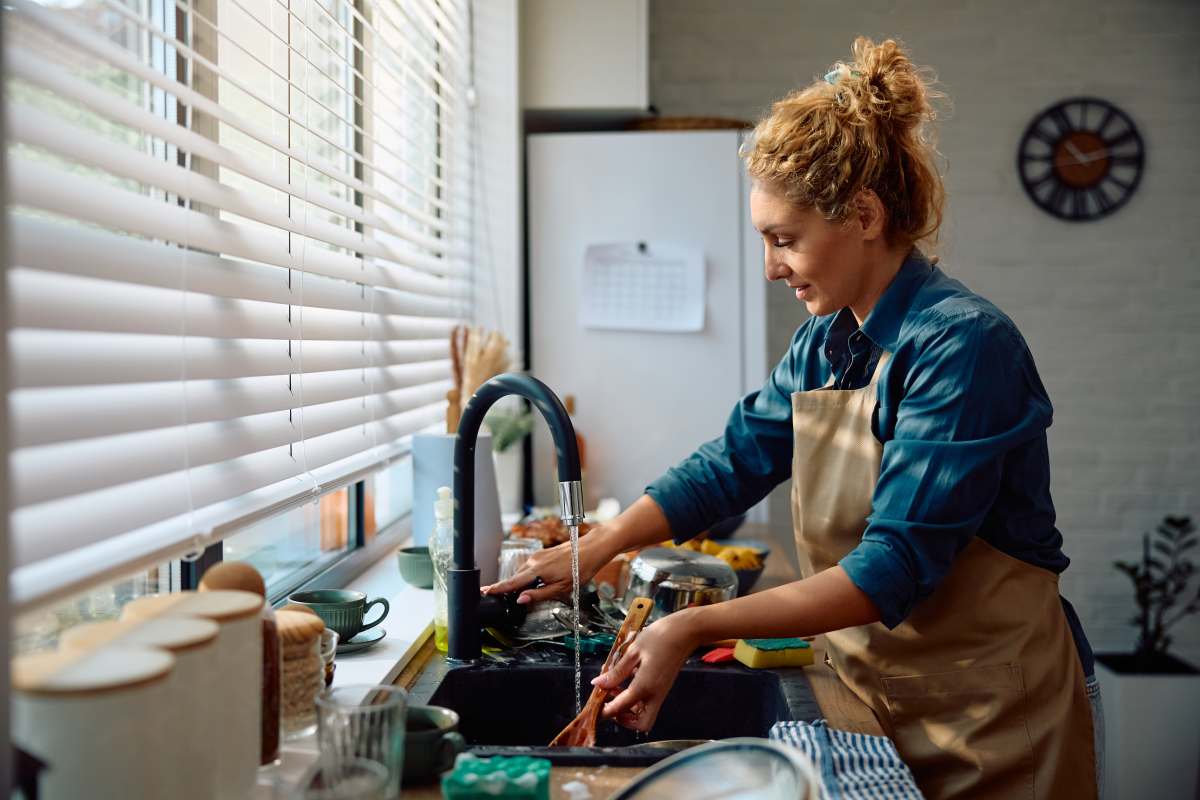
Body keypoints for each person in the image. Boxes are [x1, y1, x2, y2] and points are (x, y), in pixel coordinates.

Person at [486, 37, 1101, 800]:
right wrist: (599, 544)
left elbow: (891, 569)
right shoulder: (825, 343)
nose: (771, 267)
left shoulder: (964, 346)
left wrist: (693, 625)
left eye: (785, 240)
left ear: (865, 215)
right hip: (878, 700)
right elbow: (733, 463)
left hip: (995, 722)